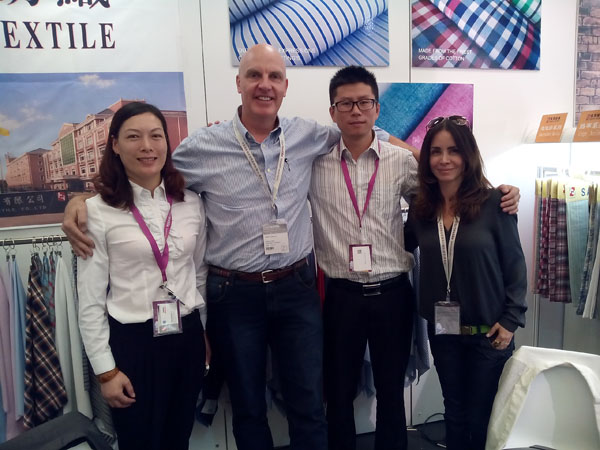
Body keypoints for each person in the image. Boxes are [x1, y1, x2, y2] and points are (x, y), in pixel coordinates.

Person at [62, 44, 521, 450]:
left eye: (274, 76)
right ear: (239, 83)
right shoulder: (207, 146)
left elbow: (411, 159)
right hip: (238, 294)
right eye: (254, 75)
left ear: (285, 86)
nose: (264, 84)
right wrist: (83, 201)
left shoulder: (318, 139)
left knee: (315, 399)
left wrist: (489, 189)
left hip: (306, 289)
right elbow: (148, 167)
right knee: (252, 403)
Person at [77, 102, 209, 450]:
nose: (147, 146)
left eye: (156, 136)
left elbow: (198, 274)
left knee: (178, 438)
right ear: (115, 145)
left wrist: (204, 333)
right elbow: (90, 301)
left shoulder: (191, 203)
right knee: (139, 441)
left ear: (167, 142)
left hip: (186, 337)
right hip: (133, 344)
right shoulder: (96, 211)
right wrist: (106, 371)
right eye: (134, 137)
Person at [309, 66, 417, 450]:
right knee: (338, 392)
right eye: (346, 104)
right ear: (332, 111)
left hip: (393, 294)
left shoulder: (401, 161)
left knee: (391, 391)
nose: (356, 111)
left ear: (377, 108)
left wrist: (498, 191)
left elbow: (446, 193)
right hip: (342, 296)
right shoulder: (313, 163)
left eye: (364, 102)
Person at [405, 116, 527, 450]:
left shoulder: (494, 204)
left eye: (454, 151)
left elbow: (515, 265)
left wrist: (511, 319)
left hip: (489, 333)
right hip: (444, 331)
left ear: (468, 155)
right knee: (454, 412)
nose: (444, 159)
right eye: (436, 151)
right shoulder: (421, 209)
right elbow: (399, 244)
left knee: (481, 417)